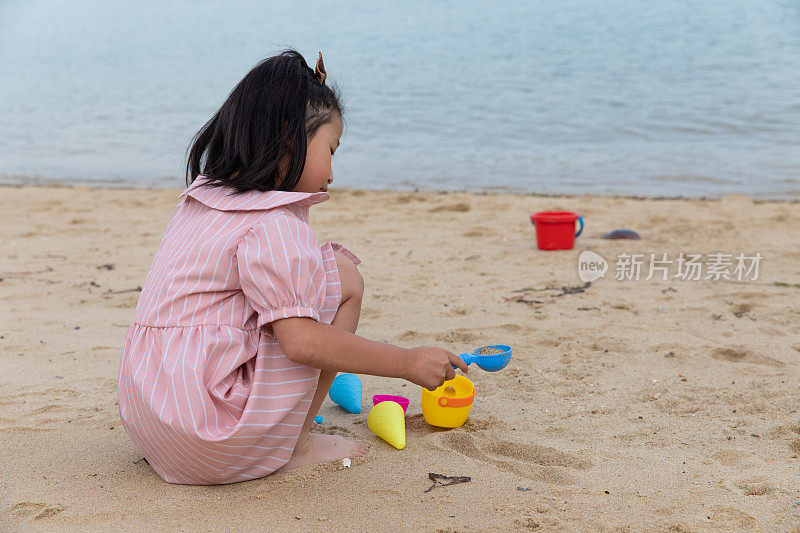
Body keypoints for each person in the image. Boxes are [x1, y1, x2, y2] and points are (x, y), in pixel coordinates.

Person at [116, 49, 468, 485]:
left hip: (152, 422)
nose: (332, 174)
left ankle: (270, 430)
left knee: (305, 288)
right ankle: (296, 441)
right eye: (331, 151)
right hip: (212, 438)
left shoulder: (201, 197)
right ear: (291, 141)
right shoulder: (276, 224)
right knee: (344, 277)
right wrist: (406, 362)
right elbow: (301, 343)